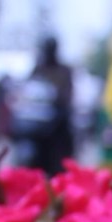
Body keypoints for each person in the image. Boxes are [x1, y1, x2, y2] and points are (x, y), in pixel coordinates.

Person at [28, 37, 75, 175]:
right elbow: (29, 89)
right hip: (38, 127)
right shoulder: (38, 68)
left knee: (58, 163)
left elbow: (67, 94)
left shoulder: (63, 70)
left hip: (58, 125)